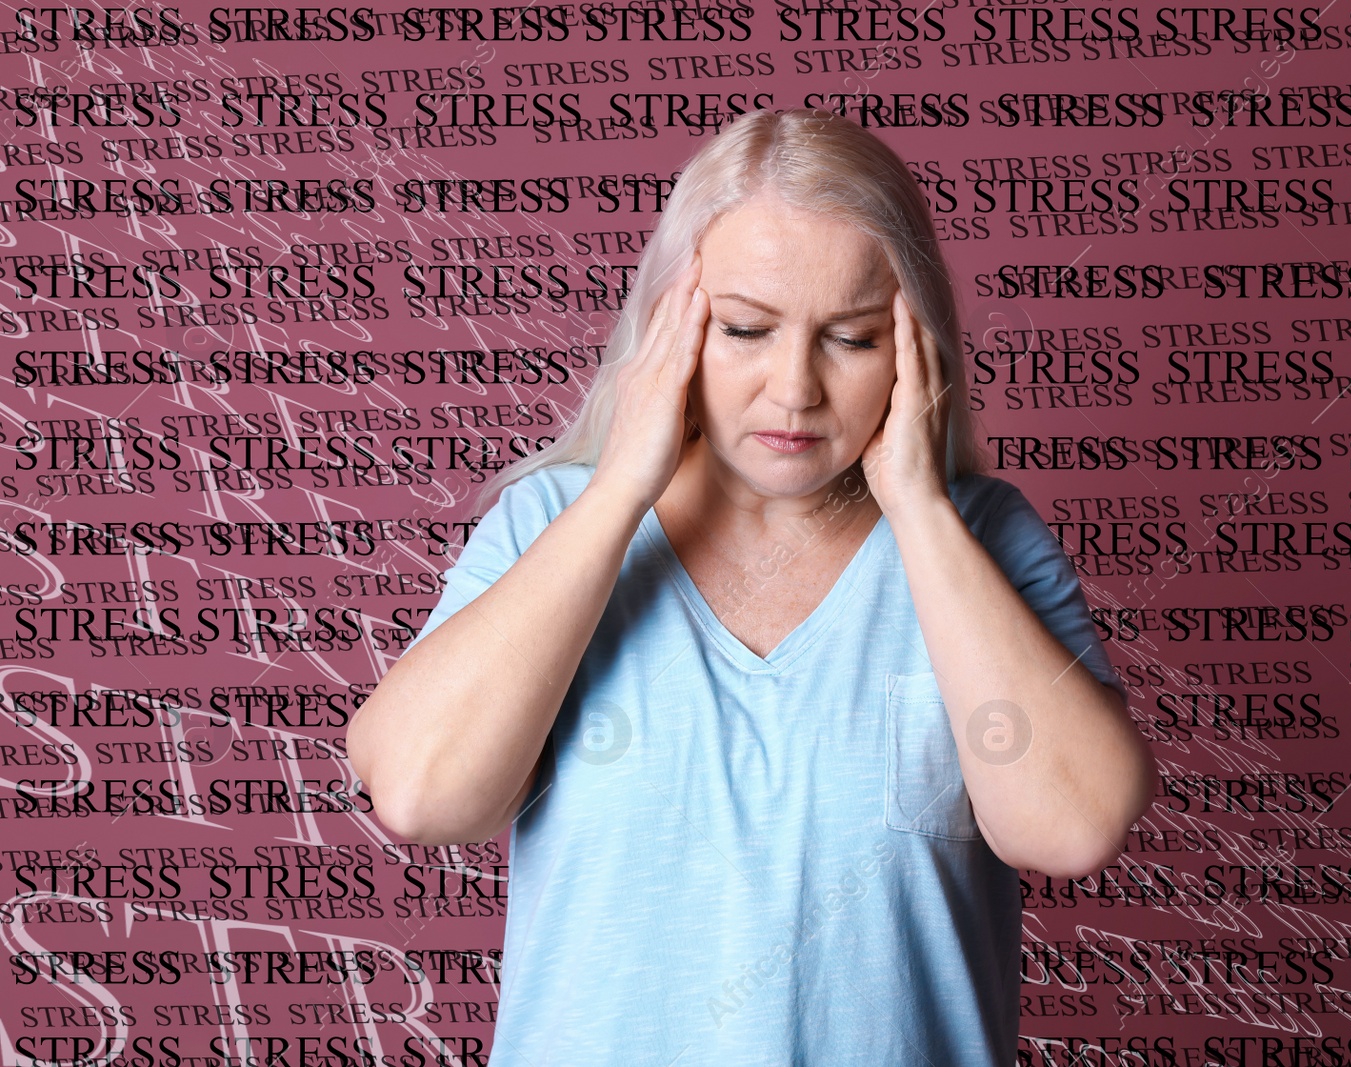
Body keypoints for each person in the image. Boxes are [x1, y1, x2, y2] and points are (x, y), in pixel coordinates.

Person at [347, 107, 1156, 1066]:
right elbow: (421, 794)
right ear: (671, 326)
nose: (794, 388)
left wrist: (921, 510)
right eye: (745, 329)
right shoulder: (545, 526)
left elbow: (1071, 826)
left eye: (850, 339)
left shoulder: (982, 538)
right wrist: (619, 493)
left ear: (913, 345)